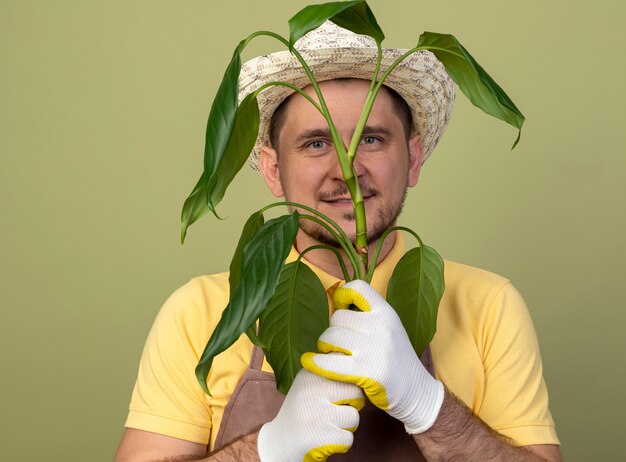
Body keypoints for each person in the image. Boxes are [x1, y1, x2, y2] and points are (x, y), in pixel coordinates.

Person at [115, 22, 561, 461]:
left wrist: (430, 408)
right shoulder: (200, 313)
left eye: (372, 138)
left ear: (414, 159)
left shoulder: (489, 305)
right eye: (314, 144)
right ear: (273, 170)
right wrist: (267, 449)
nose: (346, 170)